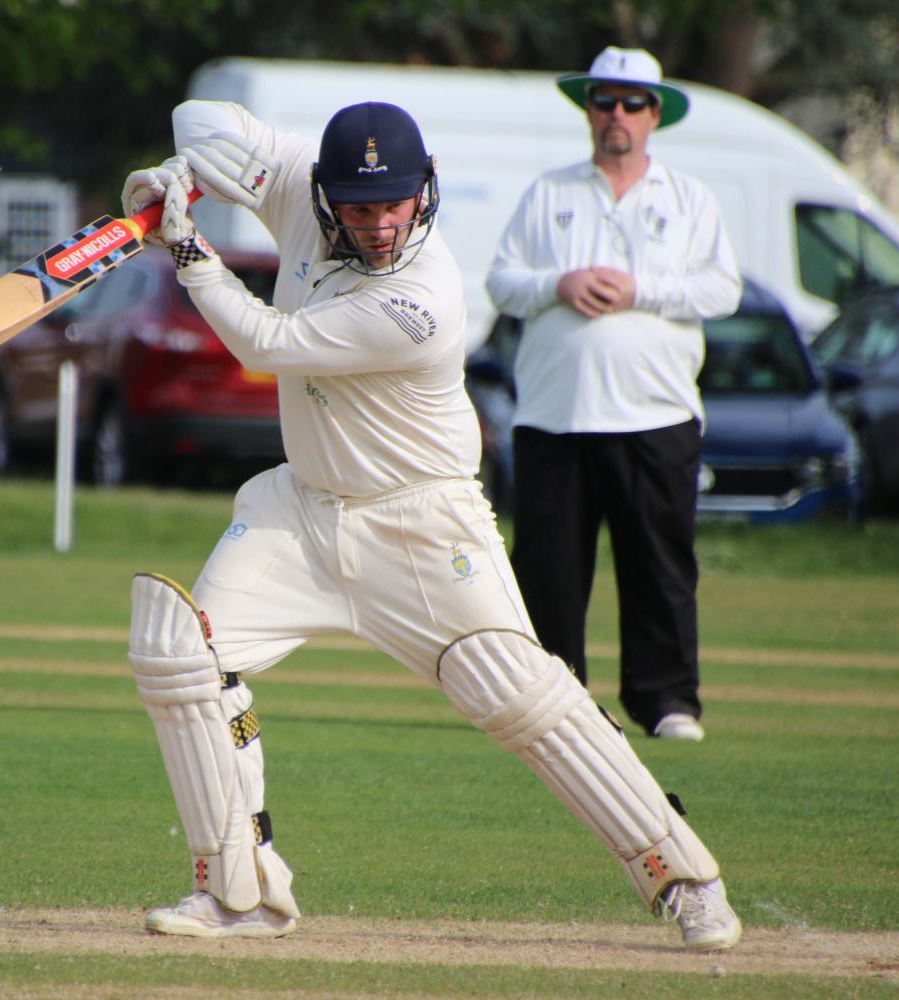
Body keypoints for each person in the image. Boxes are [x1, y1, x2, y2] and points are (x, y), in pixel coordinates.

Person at [120, 96, 741, 951]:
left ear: (426, 191)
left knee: (518, 695)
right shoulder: (303, 183)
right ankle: (240, 893)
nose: (380, 226)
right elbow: (198, 117)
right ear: (328, 195)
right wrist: (185, 175)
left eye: (397, 204)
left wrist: (186, 244)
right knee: (178, 650)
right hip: (301, 511)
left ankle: (682, 875)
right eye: (362, 208)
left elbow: (265, 343)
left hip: (420, 524)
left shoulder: (422, 298)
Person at [485, 47, 743, 743]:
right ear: (589, 110)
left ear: (655, 114)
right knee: (548, 569)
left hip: (655, 414)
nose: (617, 116)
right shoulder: (549, 192)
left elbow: (722, 290)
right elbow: (502, 283)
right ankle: (548, 698)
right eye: (604, 101)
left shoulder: (688, 199)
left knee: (659, 565)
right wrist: (558, 284)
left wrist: (641, 290)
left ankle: (667, 703)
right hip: (555, 415)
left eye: (632, 103)